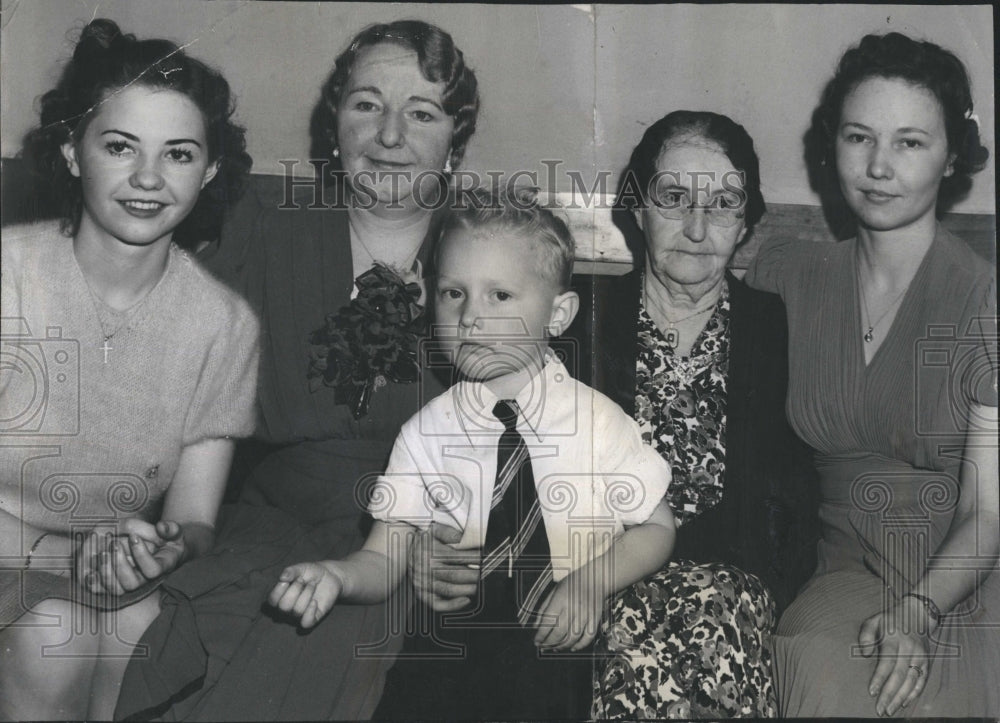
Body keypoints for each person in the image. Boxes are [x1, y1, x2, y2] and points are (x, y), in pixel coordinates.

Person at [115, 20, 480, 720]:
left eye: (422, 113)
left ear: (454, 141)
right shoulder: (264, 226)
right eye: (367, 104)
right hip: (264, 526)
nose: (391, 136)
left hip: (412, 548)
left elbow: (526, 429)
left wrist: (458, 541)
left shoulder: (490, 249)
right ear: (334, 123)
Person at [407, 110, 819, 718]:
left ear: (747, 222)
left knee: (707, 613)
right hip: (590, 568)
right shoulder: (579, 319)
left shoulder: (779, 326)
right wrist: (425, 540)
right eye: (674, 197)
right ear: (638, 207)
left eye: (725, 204)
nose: (698, 227)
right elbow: (477, 436)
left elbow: (797, 493)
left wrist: (763, 586)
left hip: (731, 582)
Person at [269, 185, 677, 719]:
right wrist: (337, 575)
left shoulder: (597, 420)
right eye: (452, 293)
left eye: (499, 296)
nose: (469, 317)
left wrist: (589, 584)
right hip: (451, 646)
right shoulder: (426, 433)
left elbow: (658, 526)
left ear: (558, 314)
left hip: (564, 636)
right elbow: (383, 555)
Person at [0, 19, 258, 720]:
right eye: (120, 146)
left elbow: (195, 519)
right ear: (73, 152)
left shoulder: (222, 324)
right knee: (56, 633)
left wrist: (158, 549)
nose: (148, 178)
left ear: (207, 173)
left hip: (105, 574)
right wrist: (65, 554)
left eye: (177, 155)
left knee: (139, 626)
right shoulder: (9, 277)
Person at [745, 32, 997, 717]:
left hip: (966, 571)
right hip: (846, 569)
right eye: (860, 137)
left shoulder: (984, 299)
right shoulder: (786, 277)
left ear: (952, 158)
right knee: (816, 661)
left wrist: (920, 611)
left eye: (911, 142)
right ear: (833, 145)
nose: (879, 166)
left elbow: (987, 509)